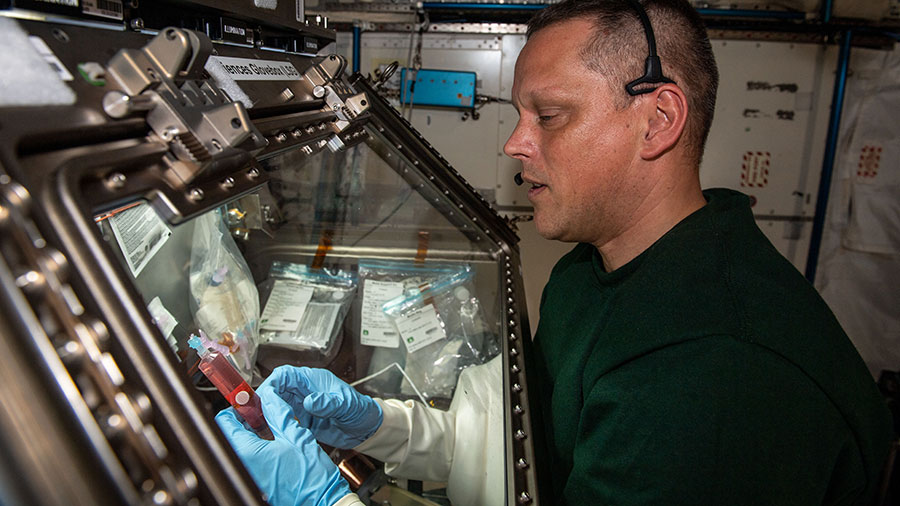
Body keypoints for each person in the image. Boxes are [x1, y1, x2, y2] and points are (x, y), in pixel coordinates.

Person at [217, 0, 895, 504]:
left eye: (550, 115)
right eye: (519, 115)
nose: (515, 143)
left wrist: (326, 502)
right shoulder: (589, 272)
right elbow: (525, 450)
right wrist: (380, 425)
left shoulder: (712, 372)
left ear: (657, 120)